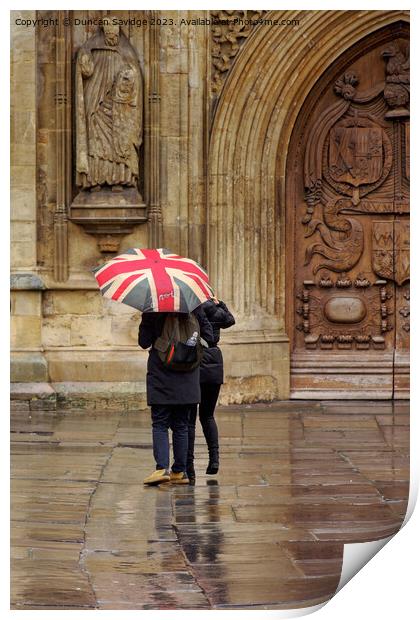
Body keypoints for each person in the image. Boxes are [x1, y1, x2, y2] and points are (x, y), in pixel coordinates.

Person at [138, 310, 212, 486]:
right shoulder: (195, 306)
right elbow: (210, 337)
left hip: (161, 374)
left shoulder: (153, 309)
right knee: (181, 425)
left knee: (160, 422)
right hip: (188, 374)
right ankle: (180, 471)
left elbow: (143, 342)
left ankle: (162, 468)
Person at [187, 298, 235, 483]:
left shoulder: (191, 308)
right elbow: (230, 320)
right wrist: (220, 303)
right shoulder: (213, 308)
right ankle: (214, 459)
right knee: (208, 415)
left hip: (195, 362)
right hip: (214, 361)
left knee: (190, 419)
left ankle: (189, 466)